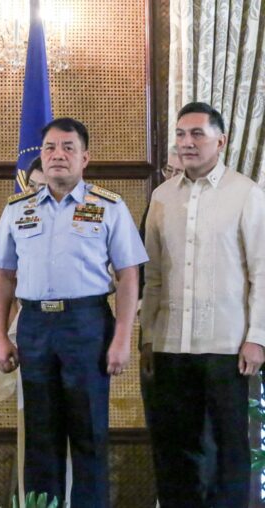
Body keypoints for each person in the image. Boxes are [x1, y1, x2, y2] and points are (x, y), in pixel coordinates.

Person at [0, 117, 147, 507]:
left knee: (89, 434)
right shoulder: (17, 208)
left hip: (87, 324)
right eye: (50, 148)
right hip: (35, 325)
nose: (58, 155)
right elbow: (2, 276)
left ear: (84, 158)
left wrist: (123, 339)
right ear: (40, 156)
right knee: (40, 436)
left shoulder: (108, 207)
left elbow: (129, 276)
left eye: (68, 148)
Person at [141, 102, 265, 508]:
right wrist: (147, 337)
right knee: (176, 446)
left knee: (230, 446)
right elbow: (153, 276)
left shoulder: (245, 194)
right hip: (171, 344)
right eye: (180, 134)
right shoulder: (161, 198)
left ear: (221, 140)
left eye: (197, 134)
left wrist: (257, 338)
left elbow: (262, 272)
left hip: (227, 345)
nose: (186, 143)